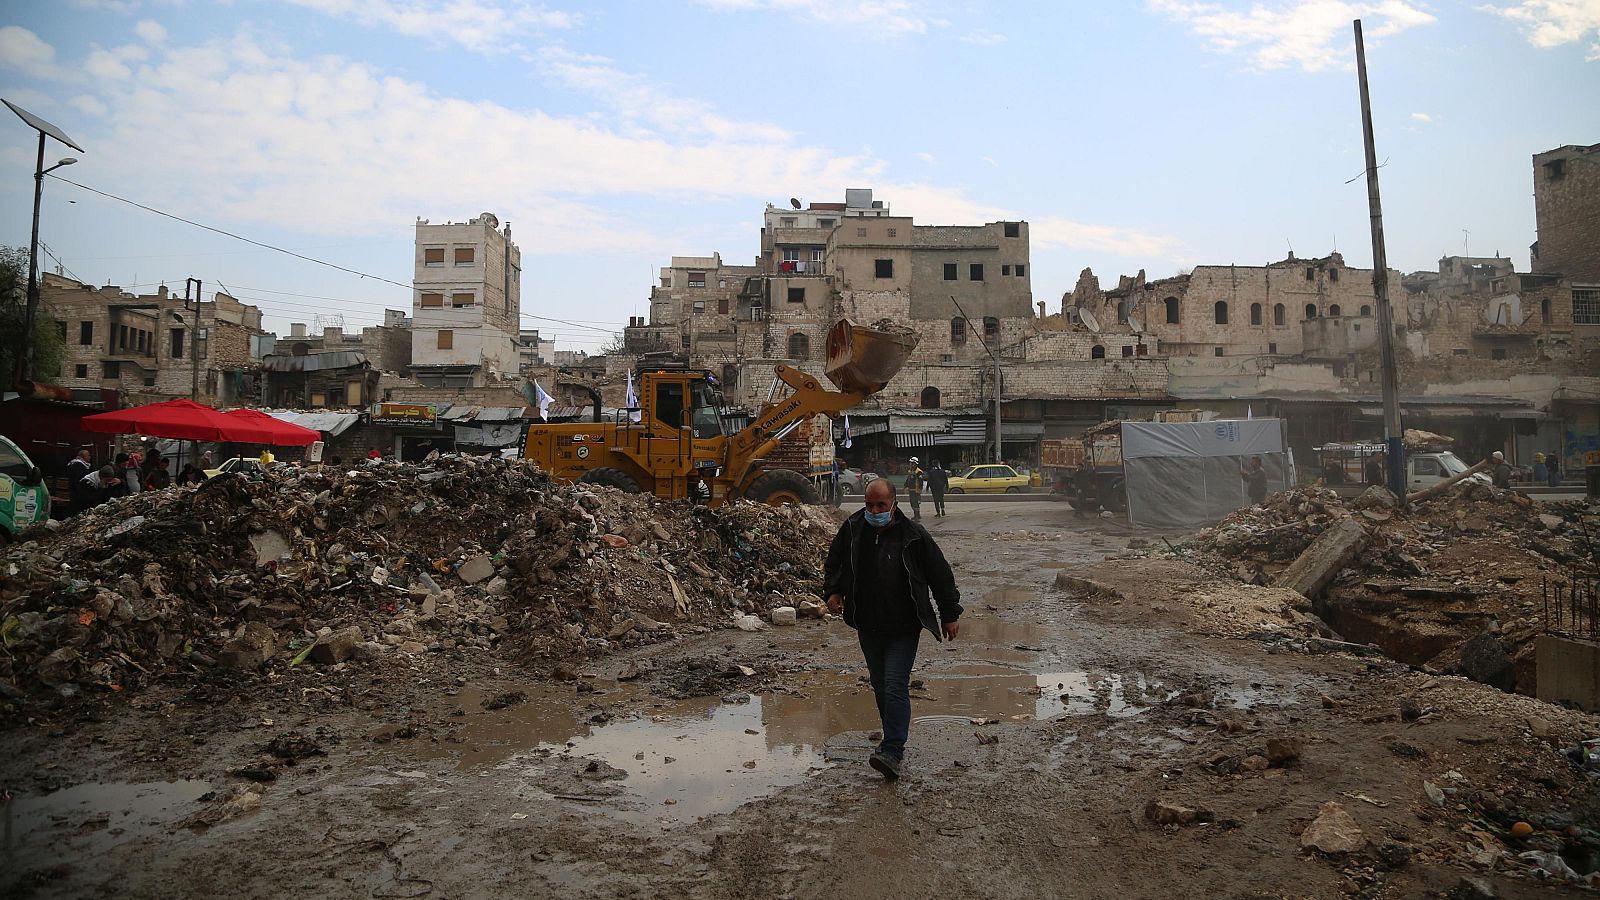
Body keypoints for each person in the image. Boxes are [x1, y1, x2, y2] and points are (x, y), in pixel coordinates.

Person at [823, 479, 961, 781]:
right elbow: (835, 563)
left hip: (903, 626)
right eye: (870, 505)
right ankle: (891, 737)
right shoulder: (853, 529)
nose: (874, 511)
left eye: (880, 506)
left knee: (895, 684)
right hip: (868, 624)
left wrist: (949, 614)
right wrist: (834, 592)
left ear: (893, 504)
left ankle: (893, 751)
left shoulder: (913, 535)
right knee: (880, 683)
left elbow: (941, 575)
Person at [903, 456, 925, 521]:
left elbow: (921, 482)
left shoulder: (919, 472)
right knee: (912, 503)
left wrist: (920, 490)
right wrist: (905, 485)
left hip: (916, 490)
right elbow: (908, 479)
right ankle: (916, 515)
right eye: (910, 463)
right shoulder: (910, 471)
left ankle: (917, 516)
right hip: (911, 490)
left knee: (916, 503)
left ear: (915, 464)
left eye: (911, 463)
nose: (910, 464)